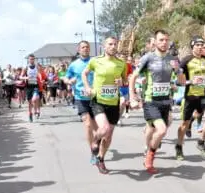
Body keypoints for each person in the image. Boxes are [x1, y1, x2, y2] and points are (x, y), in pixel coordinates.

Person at [129, 29, 177, 174]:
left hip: (166, 101)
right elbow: (133, 77)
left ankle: (148, 147)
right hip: (150, 100)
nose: (164, 43)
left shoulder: (172, 59)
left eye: (166, 40)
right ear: (155, 42)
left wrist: (178, 72)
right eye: (161, 40)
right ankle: (149, 156)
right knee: (161, 130)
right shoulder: (148, 58)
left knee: (153, 128)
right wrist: (132, 97)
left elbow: (180, 81)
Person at [82, 36, 127, 174]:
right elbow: (84, 73)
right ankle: (94, 141)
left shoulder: (121, 63)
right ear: (104, 46)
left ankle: (101, 159)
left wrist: (122, 82)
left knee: (108, 135)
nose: (113, 46)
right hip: (98, 101)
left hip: (113, 102)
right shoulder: (95, 61)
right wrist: (88, 87)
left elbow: (125, 80)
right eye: (110, 44)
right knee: (104, 128)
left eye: (115, 44)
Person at [175, 36, 205, 160]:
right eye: (197, 45)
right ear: (192, 46)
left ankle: (201, 142)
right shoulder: (185, 60)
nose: (200, 47)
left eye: (202, 45)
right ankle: (179, 146)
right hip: (190, 96)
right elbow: (178, 82)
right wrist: (190, 81)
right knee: (184, 124)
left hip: (203, 95)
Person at [64, 40, 98, 165]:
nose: (85, 49)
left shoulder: (95, 62)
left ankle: (96, 144)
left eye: (87, 47)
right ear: (79, 50)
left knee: (98, 129)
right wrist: (68, 81)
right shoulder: (74, 65)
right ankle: (93, 152)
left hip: (95, 98)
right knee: (88, 125)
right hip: (80, 98)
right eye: (83, 47)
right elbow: (66, 77)